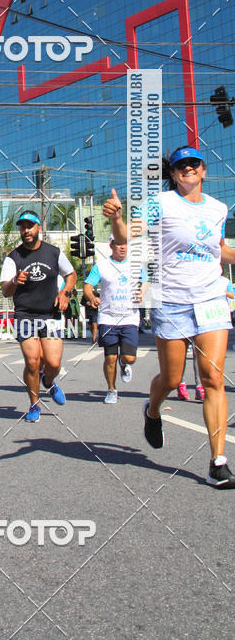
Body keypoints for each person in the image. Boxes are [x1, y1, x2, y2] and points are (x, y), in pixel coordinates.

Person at [103, 145, 235, 488]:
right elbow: (125, 237)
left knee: (212, 379)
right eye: (180, 166)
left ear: (203, 171)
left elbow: (219, 249)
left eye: (194, 164)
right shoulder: (159, 203)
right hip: (170, 301)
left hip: (210, 298)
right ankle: (152, 410)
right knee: (173, 379)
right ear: (173, 174)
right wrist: (117, 219)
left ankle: (217, 463)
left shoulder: (218, 208)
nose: (188, 169)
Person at [0, 211, 76, 422]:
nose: (26, 230)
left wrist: (65, 293)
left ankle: (49, 382)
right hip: (25, 315)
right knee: (32, 362)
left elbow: (71, 275)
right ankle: (34, 405)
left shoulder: (53, 253)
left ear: (38, 228)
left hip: (50, 315)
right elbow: (6, 290)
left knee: (53, 363)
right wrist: (15, 281)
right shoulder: (13, 258)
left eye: (30, 226)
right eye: (23, 227)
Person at [83, 236, 148, 404]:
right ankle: (111, 389)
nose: (122, 247)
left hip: (129, 317)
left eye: (125, 244)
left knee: (129, 358)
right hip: (108, 317)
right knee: (109, 357)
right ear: (111, 245)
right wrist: (92, 297)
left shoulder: (135, 265)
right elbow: (88, 286)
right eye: (118, 244)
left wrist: (141, 291)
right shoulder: (102, 266)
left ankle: (124, 362)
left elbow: (146, 281)